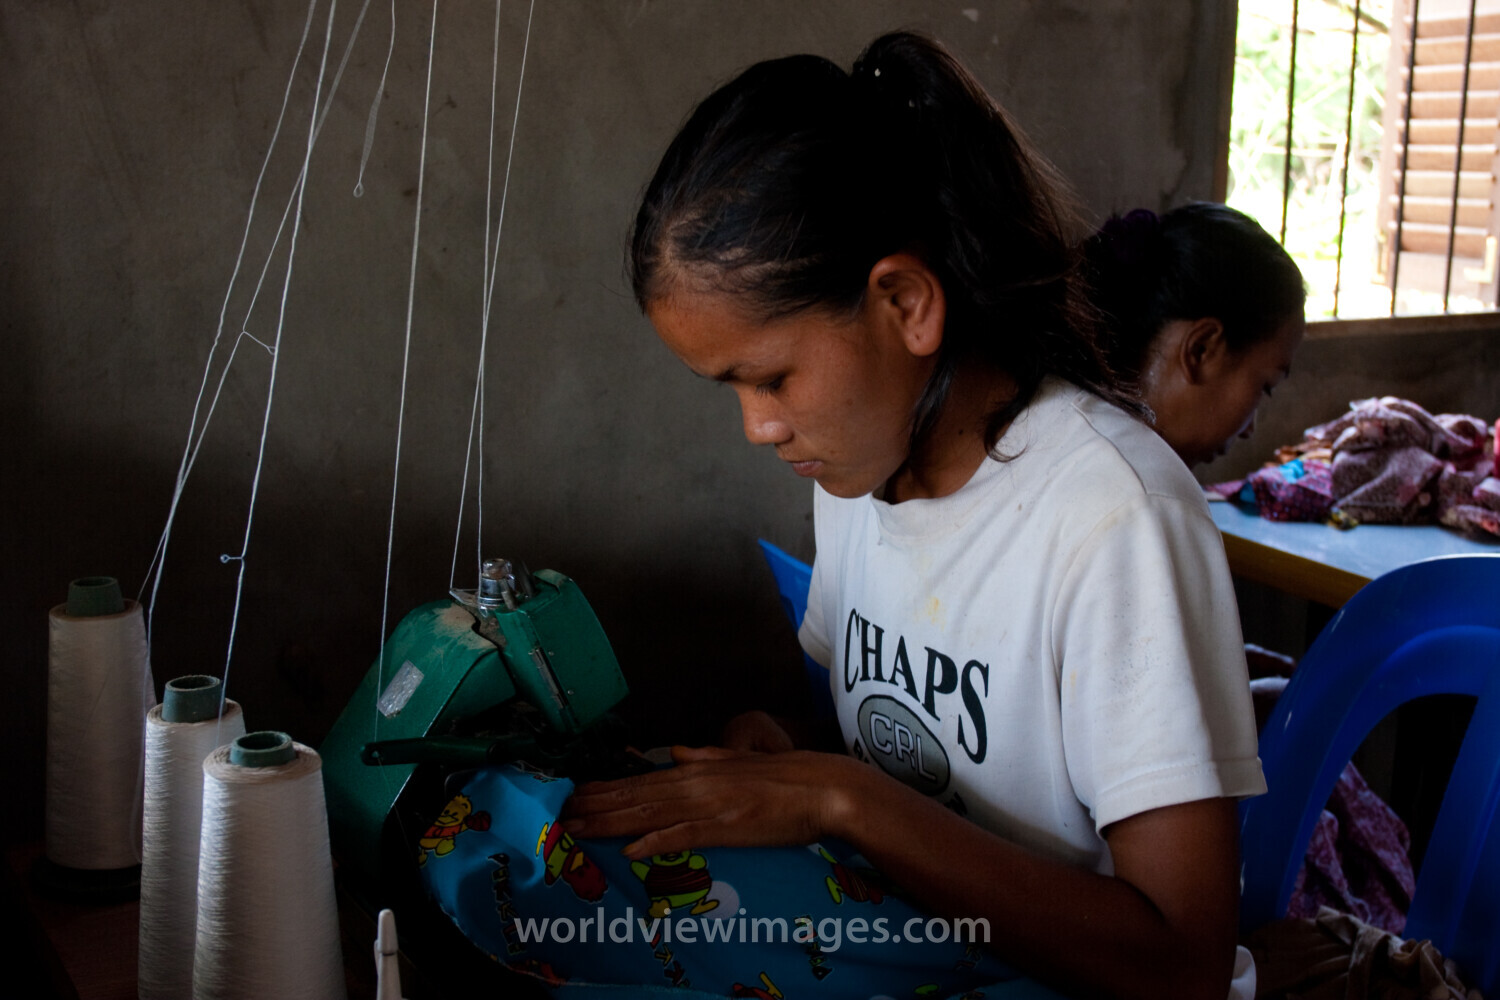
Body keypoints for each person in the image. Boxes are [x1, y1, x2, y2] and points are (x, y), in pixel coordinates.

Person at [561, 32, 1265, 1000]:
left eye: (769, 378)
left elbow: (1180, 962)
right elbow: (897, 756)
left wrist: (844, 797)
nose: (760, 427)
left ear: (904, 302)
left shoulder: (1114, 515)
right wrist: (791, 760)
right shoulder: (860, 468)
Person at [1083, 203, 1307, 469]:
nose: (1249, 430)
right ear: (1201, 349)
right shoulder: (1150, 503)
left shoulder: (1067, 433)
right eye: (1265, 386)